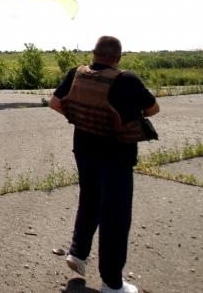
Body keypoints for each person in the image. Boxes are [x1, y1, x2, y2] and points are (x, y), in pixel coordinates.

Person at [48, 36, 159, 293]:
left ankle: (77, 254)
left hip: (84, 151)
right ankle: (112, 284)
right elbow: (153, 109)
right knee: (115, 218)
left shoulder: (77, 74)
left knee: (89, 202)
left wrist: (78, 116)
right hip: (116, 157)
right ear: (118, 58)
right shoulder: (126, 79)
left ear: (93, 53)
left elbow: (55, 103)